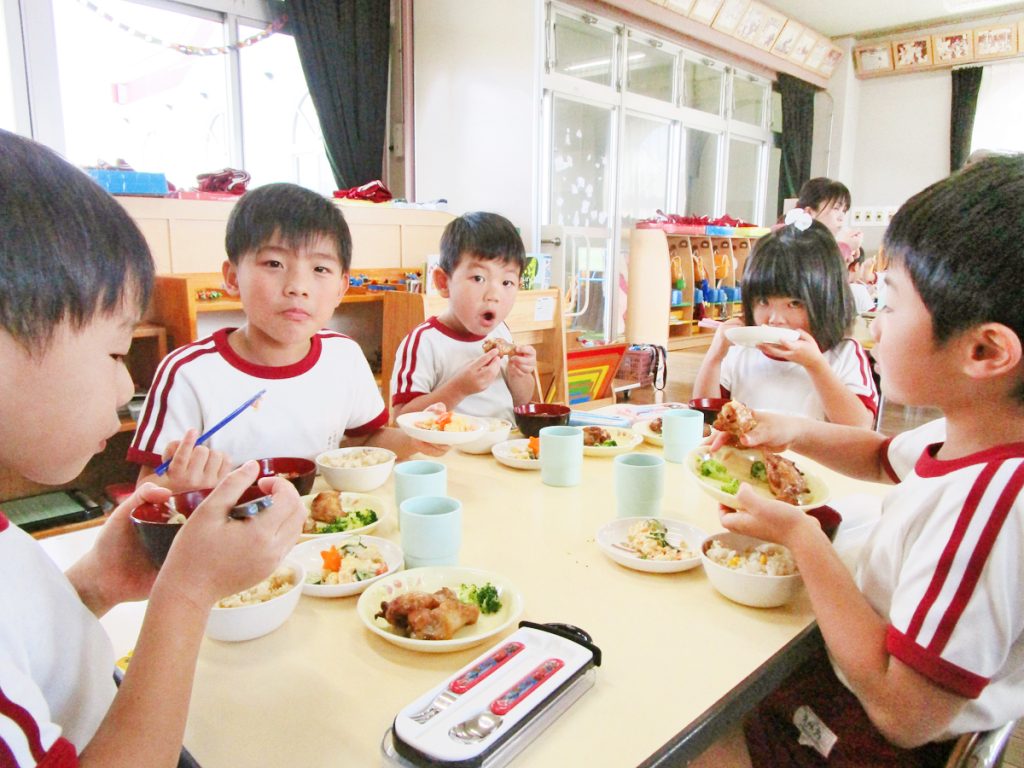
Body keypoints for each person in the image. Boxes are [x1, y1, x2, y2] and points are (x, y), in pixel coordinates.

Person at [0, 129, 307, 766]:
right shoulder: (189, 369)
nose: (125, 383)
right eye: (116, 350)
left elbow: (28, 649)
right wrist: (188, 592)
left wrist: (92, 586)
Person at [705, 154, 1024, 767]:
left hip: (872, 740)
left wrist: (802, 537)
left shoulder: (991, 507)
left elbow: (902, 714)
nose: (875, 325)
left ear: (984, 349)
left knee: (696, 726)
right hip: (860, 676)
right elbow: (882, 456)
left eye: (892, 304)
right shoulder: (976, 430)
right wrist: (790, 429)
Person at [129, 183, 440, 492]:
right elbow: (148, 487)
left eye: (320, 268)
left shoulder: (344, 355)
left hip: (321, 529)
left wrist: (417, 436)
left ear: (341, 288)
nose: (297, 286)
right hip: (226, 533)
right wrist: (177, 486)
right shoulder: (188, 372)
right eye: (274, 264)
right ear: (232, 278)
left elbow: (368, 441)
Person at [692, 212, 877, 427]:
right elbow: (705, 417)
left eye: (794, 304)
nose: (774, 319)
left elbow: (859, 427)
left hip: (813, 461)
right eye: (763, 301)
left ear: (827, 300)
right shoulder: (741, 351)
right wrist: (715, 356)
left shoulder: (843, 353)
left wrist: (816, 365)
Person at [390, 212, 538, 422]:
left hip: (502, 448)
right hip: (448, 453)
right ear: (443, 282)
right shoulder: (424, 342)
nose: (494, 296)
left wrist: (520, 375)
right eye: (479, 278)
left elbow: (521, 402)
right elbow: (402, 418)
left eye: (507, 282)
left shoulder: (500, 331)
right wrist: (459, 389)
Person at [792, 176, 863, 260]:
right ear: (809, 212)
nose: (841, 218)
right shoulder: (789, 240)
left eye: (844, 211)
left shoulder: (822, 243)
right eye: (836, 208)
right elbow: (813, 268)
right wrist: (843, 247)